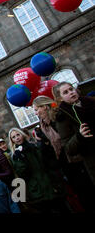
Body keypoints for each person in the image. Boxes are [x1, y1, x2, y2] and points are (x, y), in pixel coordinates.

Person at [52, 82, 95, 212]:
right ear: (60, 99)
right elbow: (69, 149)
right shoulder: (62, 117)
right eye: (65, 92)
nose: (71, 92)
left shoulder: (91, 103)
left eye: (71, 89)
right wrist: (80, 136)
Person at [8, 127, 68, 213]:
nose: (17, 138)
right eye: (13, 137)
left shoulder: (35, 147)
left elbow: (47, 163)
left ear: (22, 134)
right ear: (12, 141)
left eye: (18, 134)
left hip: (50, 184)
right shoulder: (16, 156)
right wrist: (20, 159)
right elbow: (23, 174)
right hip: (37, 191)